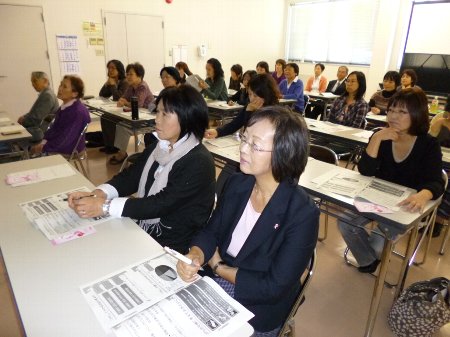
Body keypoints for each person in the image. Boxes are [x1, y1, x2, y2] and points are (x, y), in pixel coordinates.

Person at [176, 106, 319, 336]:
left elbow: (272, 287)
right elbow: (211, 231)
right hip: (218, 281)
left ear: (284, 153)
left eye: (255, 144)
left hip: (258, 306)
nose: (243, 148)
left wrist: (219, 266)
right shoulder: (238, 184)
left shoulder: (302, 213)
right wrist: (196, 255)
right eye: (244, 138)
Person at [68, 85, 216, 254]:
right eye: (157, 112)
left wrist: (105, 207)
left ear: (187, 118)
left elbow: (161, 203)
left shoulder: (198, 161)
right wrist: (99, 194)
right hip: (147, 229)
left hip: (174, 243)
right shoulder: (160, 146)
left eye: (165, 114)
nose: (157, 120)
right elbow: (132, 177)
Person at [338, 88, 444, 273]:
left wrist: (423, 195)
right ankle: (369, 261)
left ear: (417, 114)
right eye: (392, 110)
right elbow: (365, 171)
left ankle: (369, 258)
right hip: (377, 198)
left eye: (402, 112)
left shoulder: (429, 145)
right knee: (345, 222)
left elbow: (436, 181)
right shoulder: (382, 136)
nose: (394, 116)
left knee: (379, 241)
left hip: (404, 205)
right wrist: (377, 138)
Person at [205, 73, 280, 139]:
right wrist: (217, 132)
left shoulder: (274, 112)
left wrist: (249, 112)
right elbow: (234, 124)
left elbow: (250, 132)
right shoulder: (250, 106)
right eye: (250, 94)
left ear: (266, 95)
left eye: (256, 96)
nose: (252, 99)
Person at [30, 75, 90, 156]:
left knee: (32, 156)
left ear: (74, 94)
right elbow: (55, 129)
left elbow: (66, 139)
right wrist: (44, 141)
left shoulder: (76, 112)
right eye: (60, 84)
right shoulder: (66, 107)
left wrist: (44, 147)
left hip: (69, 148)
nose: (60, 88)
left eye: (64, 87)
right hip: (62, 144)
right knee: (32, 150)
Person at [109, 62, 154, 164]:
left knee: (123, 127)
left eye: (131, 74)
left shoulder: (142, 86)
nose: (128, 76)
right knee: (120, 125)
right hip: (137, 117)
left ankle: (122, 154)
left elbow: (138, 105)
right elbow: (124, 97)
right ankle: (122, 152)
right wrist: (122, 101)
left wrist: (125, 102)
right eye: (127, 74)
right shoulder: (131, 86)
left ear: (139, 76)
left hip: (147, 120)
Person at [17, 71, 59, 143]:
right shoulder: (46, 93)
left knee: (11, 136)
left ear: (45, 81)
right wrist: (24, 117)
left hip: (39, 131)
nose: (32, 84)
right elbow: (34, 113)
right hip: (39, 129)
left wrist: (23, 121)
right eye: (32, 82)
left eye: (35, 81)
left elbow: (37, 119)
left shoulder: (47, 96)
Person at [429, 96, 450, 237]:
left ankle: (439, 219)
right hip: (438, 158)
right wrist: (435, 128)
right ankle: (426, 213)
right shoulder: (439, 118)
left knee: (447, 179)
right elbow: (428, 142)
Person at [98, 60, 129, 154]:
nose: (110, 70)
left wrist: (112, 85)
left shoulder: (125, 82)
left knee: (108, 118)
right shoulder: (113, 80)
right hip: (117, 109)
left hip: (126, 110)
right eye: (109, 68)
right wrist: (107, 85)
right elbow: (102, 94)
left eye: (113, 68)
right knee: (104, 116)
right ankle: (108, 144)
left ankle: (114, 146)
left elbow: (118, 98)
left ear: (119, 69)